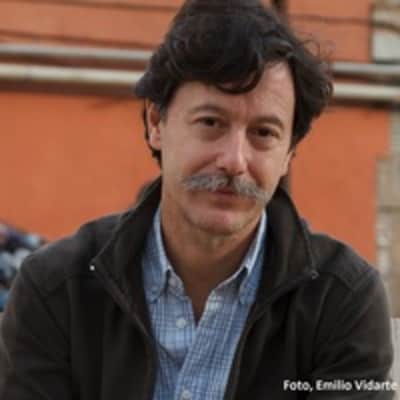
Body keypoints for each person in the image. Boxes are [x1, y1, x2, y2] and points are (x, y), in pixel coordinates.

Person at [0, 0, 394, 399]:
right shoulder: (56, 291)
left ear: (290, 152)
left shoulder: (341, 301)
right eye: (211, 122)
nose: (234, 161)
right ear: (157, 122)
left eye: (263, 133)